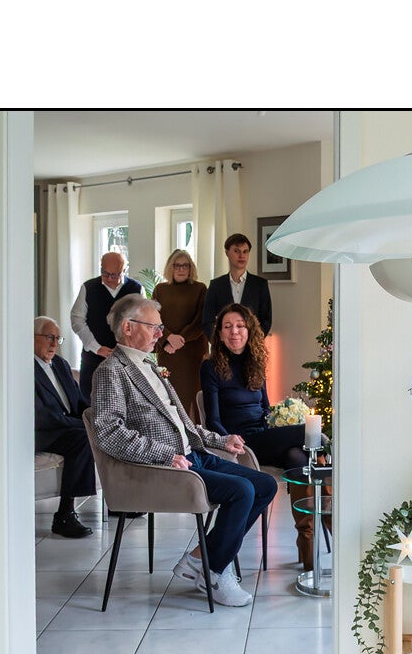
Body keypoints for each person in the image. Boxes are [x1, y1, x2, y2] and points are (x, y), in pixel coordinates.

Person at [89, 294, 277, 609]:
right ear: (128, 327)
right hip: (162, 468)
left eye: (160, 327)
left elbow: (185, 426)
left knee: (265, 484)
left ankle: (202, 560)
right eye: (154, 327)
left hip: (193, 455)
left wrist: (221, 441)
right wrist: (163, 455)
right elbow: (109, 433)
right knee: (242, 491)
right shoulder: (111, 371)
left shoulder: (150, 366)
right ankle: (214, 571)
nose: (161, 333)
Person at [200, 305, 328, 573]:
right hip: (242, 443)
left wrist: (279, 422)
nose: (234, 332)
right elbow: (212, 420)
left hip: (265, 435)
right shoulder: (210, 367)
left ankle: (307, 547)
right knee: (310, 433)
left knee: (297, 457)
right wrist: (228, 440)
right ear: (219, 333)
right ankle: (329, 458)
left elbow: (266, 409)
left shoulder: (256, 363)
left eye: (240, 326)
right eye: (227, 327)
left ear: (249, 330)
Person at [33, 315, 95, 539]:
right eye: (49, 337)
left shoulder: (60, 364)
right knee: (82, 438)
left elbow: (78, 402)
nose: (53, 344)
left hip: (67, 427)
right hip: (43, 432)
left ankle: (119, 500)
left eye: (57, 339)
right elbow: (43, 416)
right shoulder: (25, 368)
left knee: (97, 431)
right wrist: (83, 425)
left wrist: (95, 418)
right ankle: (64, 515)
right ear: (32, 338)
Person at [71, 252, 142, 404]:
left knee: (124, 404)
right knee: (90, 405)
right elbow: (77, 320)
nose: (109, 278)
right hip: (93, 359)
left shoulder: (136, 289)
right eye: (105, 273)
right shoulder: (88, 288)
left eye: (114, 275)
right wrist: (96, 347)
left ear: (124, 270)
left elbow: (141, 323)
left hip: (126, 360)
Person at [150, 248, 208, 418]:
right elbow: (153, 318)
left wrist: (179, 340)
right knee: (169, 395)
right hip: (168, 352)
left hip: (192, 354)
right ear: (170, 267)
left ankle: (195, 431)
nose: (181, 269)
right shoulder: (160, 289)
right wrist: (167, 339)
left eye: (185, 265)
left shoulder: (200, 288)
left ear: (191, 268)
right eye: (177, 265)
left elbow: (201, 320)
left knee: (193, 397)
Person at [201, 233, 272, 340]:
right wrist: (220, 342)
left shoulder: (260, 285)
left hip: (251, 345)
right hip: (223, 346)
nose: (241, 256)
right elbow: (207, 321)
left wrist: (252, 342)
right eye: (236, 251)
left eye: (245, 251)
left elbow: (266, 320)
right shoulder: (216, 285)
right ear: (227, 253)